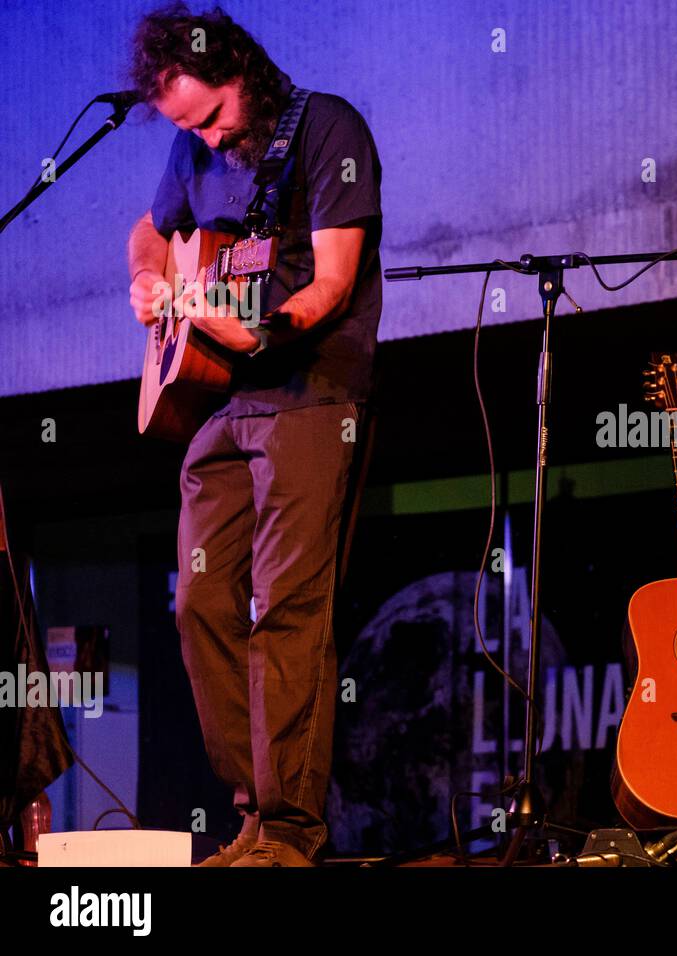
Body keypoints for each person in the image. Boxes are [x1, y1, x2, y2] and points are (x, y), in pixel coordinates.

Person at [125, 3, 383, 866]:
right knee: (200, 603)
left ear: (242, 68)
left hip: (309, 393)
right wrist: (147, 280)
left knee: (287, 608)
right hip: (217, 404)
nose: (204, 135)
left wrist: (259, 332)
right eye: (184, 124)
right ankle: (250, 813)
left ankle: (290, 828)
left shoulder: (328, 128)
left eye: (210, 115)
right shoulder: (190, 147)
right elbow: (150, 231)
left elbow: (334, 283)